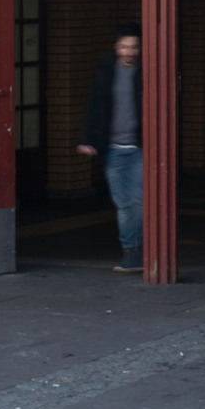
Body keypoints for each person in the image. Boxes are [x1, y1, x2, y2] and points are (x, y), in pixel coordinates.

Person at [76, 22, 144, 274]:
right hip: (113, 149)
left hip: (139, 147)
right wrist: (86, 139)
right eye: (124, 47)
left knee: (138, 202)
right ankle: (131, 252)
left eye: (134, 47)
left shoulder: (148, 71)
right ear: (116, 47)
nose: (129, 52)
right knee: (124, 204)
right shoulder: (106, 71)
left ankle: (138, 251)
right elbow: (93, 106)